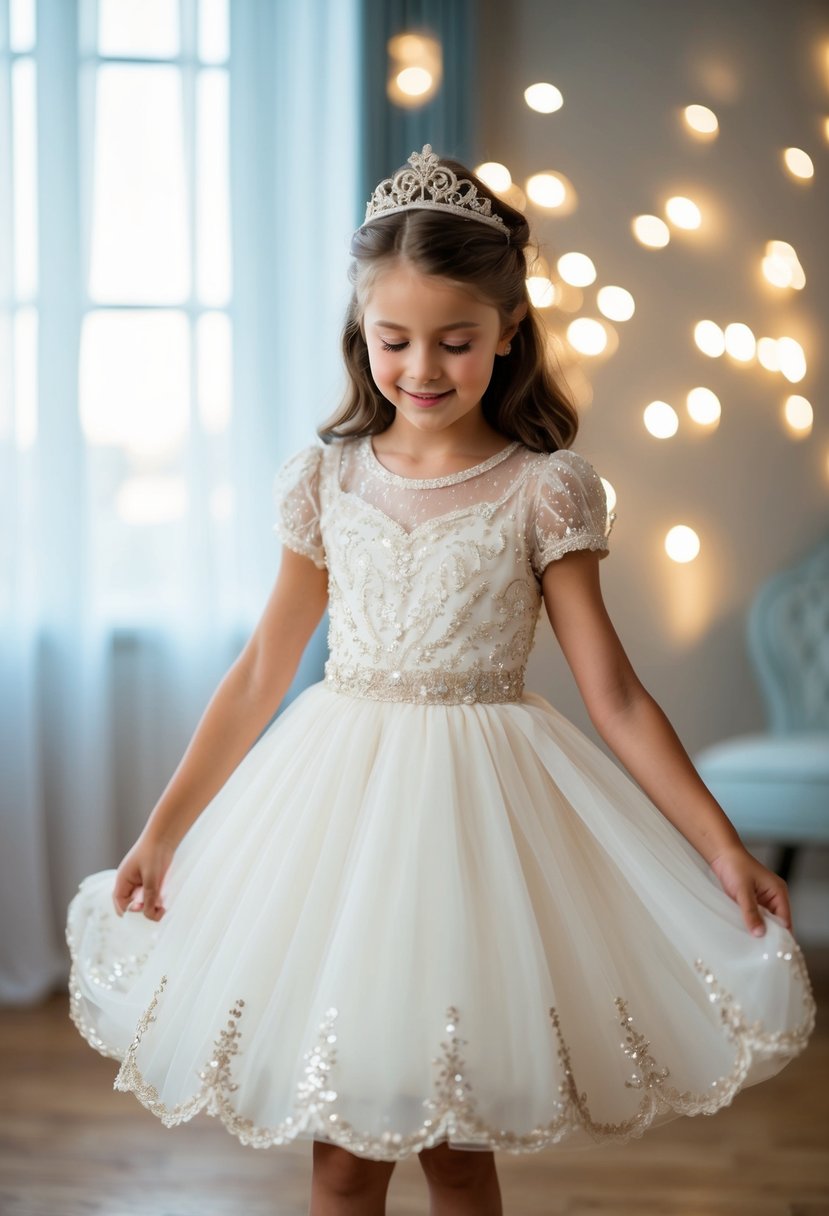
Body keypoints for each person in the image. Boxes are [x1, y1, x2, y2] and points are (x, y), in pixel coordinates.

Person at [66, 145, 815, 1216]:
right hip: (333, 821)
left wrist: (720, 845)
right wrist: (165, 828)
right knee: (342, 1154)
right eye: (394, 339)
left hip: (481, 830)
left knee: (459, 1150)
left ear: (508, 332)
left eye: (455, 341)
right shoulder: (323, 479)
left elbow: (615, 696)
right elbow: (259, 673)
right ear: (360, 333)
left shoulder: (547, 491)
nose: (422, 367)